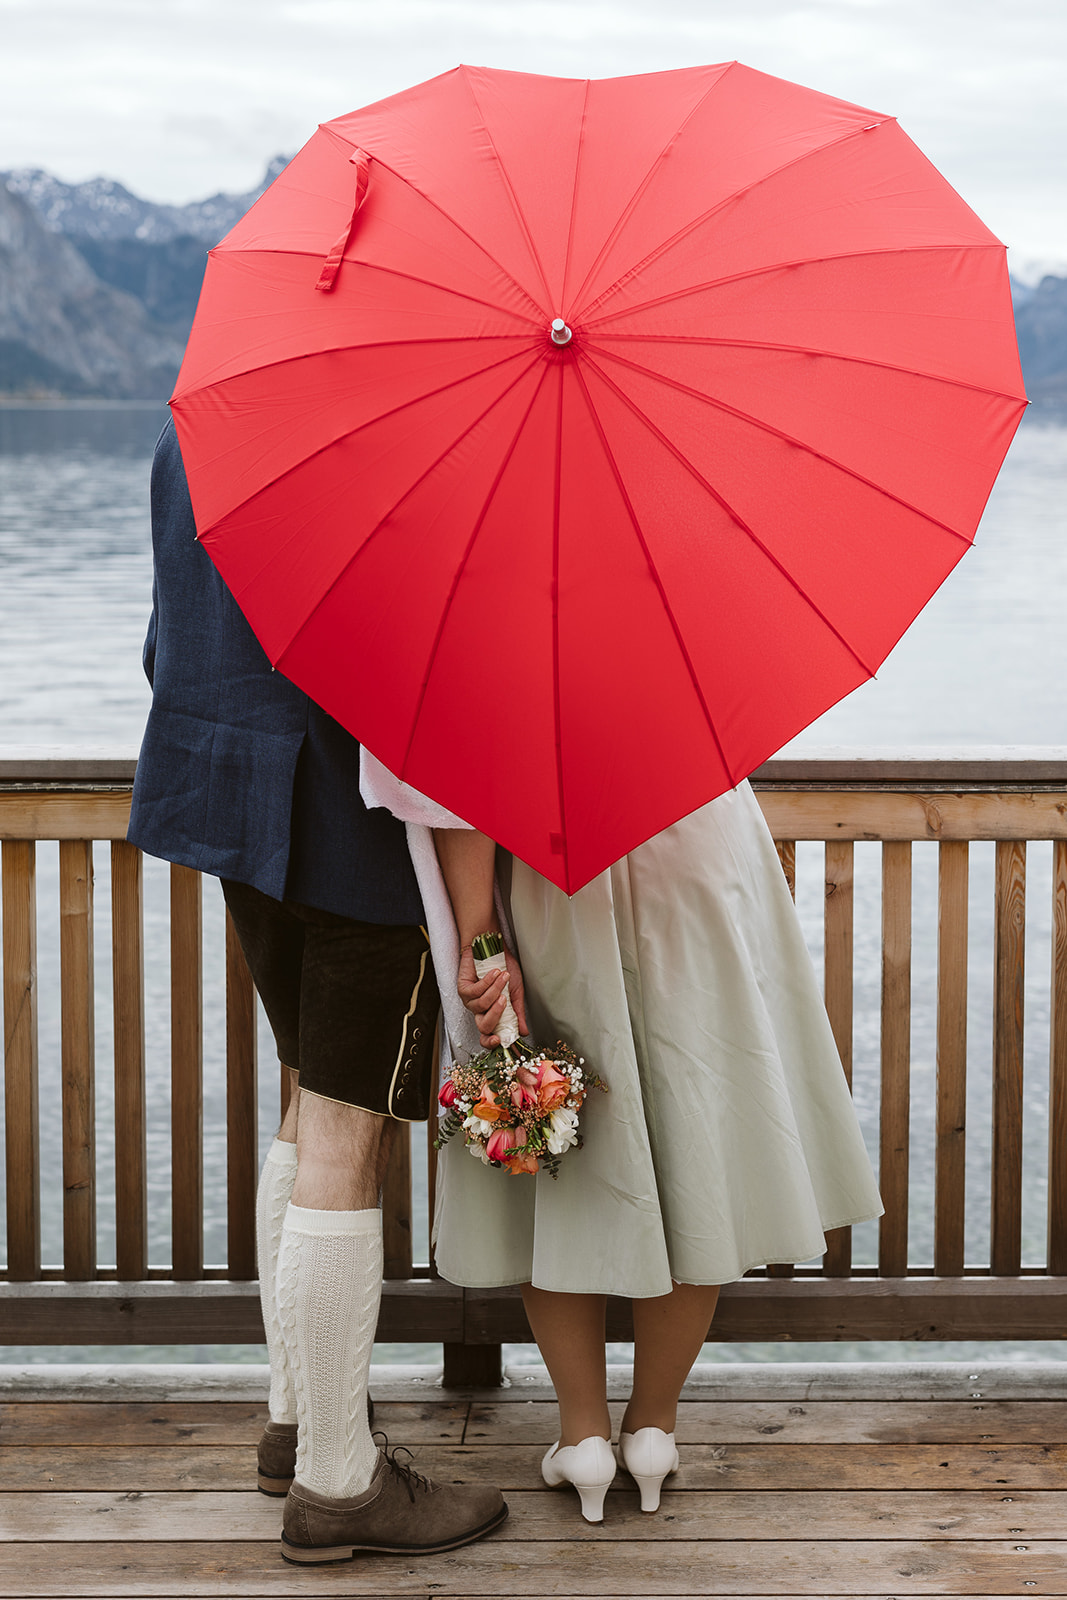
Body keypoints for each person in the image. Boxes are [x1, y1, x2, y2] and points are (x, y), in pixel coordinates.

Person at [127, 420, 506, 1563]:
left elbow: (164, 645)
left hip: (231, 797)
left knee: (304, 1101)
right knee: (352, 1133)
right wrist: (481, 927)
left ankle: (297, 1423)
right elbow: (441, 694)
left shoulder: (193, 422)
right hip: (355, 825)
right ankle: (343, 1484)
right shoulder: (397, 440)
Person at [367, 763, 883, 1523]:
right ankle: (652, 1431)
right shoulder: (673, 649)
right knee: (695, 1136)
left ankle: (582, 1438)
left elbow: (453, 788)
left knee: (552, 1143)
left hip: (555, 875)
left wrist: (480, 940)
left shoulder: (490, 651)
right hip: (701, 850)